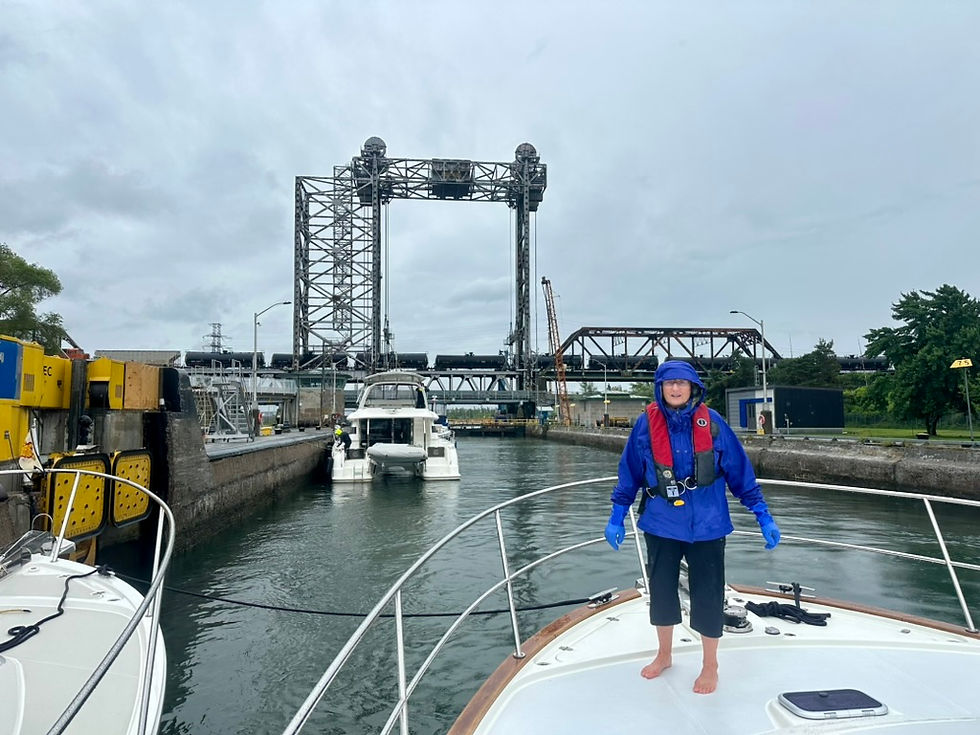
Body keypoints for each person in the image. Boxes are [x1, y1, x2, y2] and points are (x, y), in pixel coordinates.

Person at [603, 360, 780, 695]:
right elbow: (629, 473)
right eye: (669, 384)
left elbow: (740, 473)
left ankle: (710, 664)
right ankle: (664, 654)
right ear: (660, 389)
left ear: (693, 388)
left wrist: (763, 515)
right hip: (661, 523)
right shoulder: (645, 425)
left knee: (709, 595)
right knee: (662, 592)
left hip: (708, 525)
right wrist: (616, 515)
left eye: (682, 383)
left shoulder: (712, 423)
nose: (675, 389)